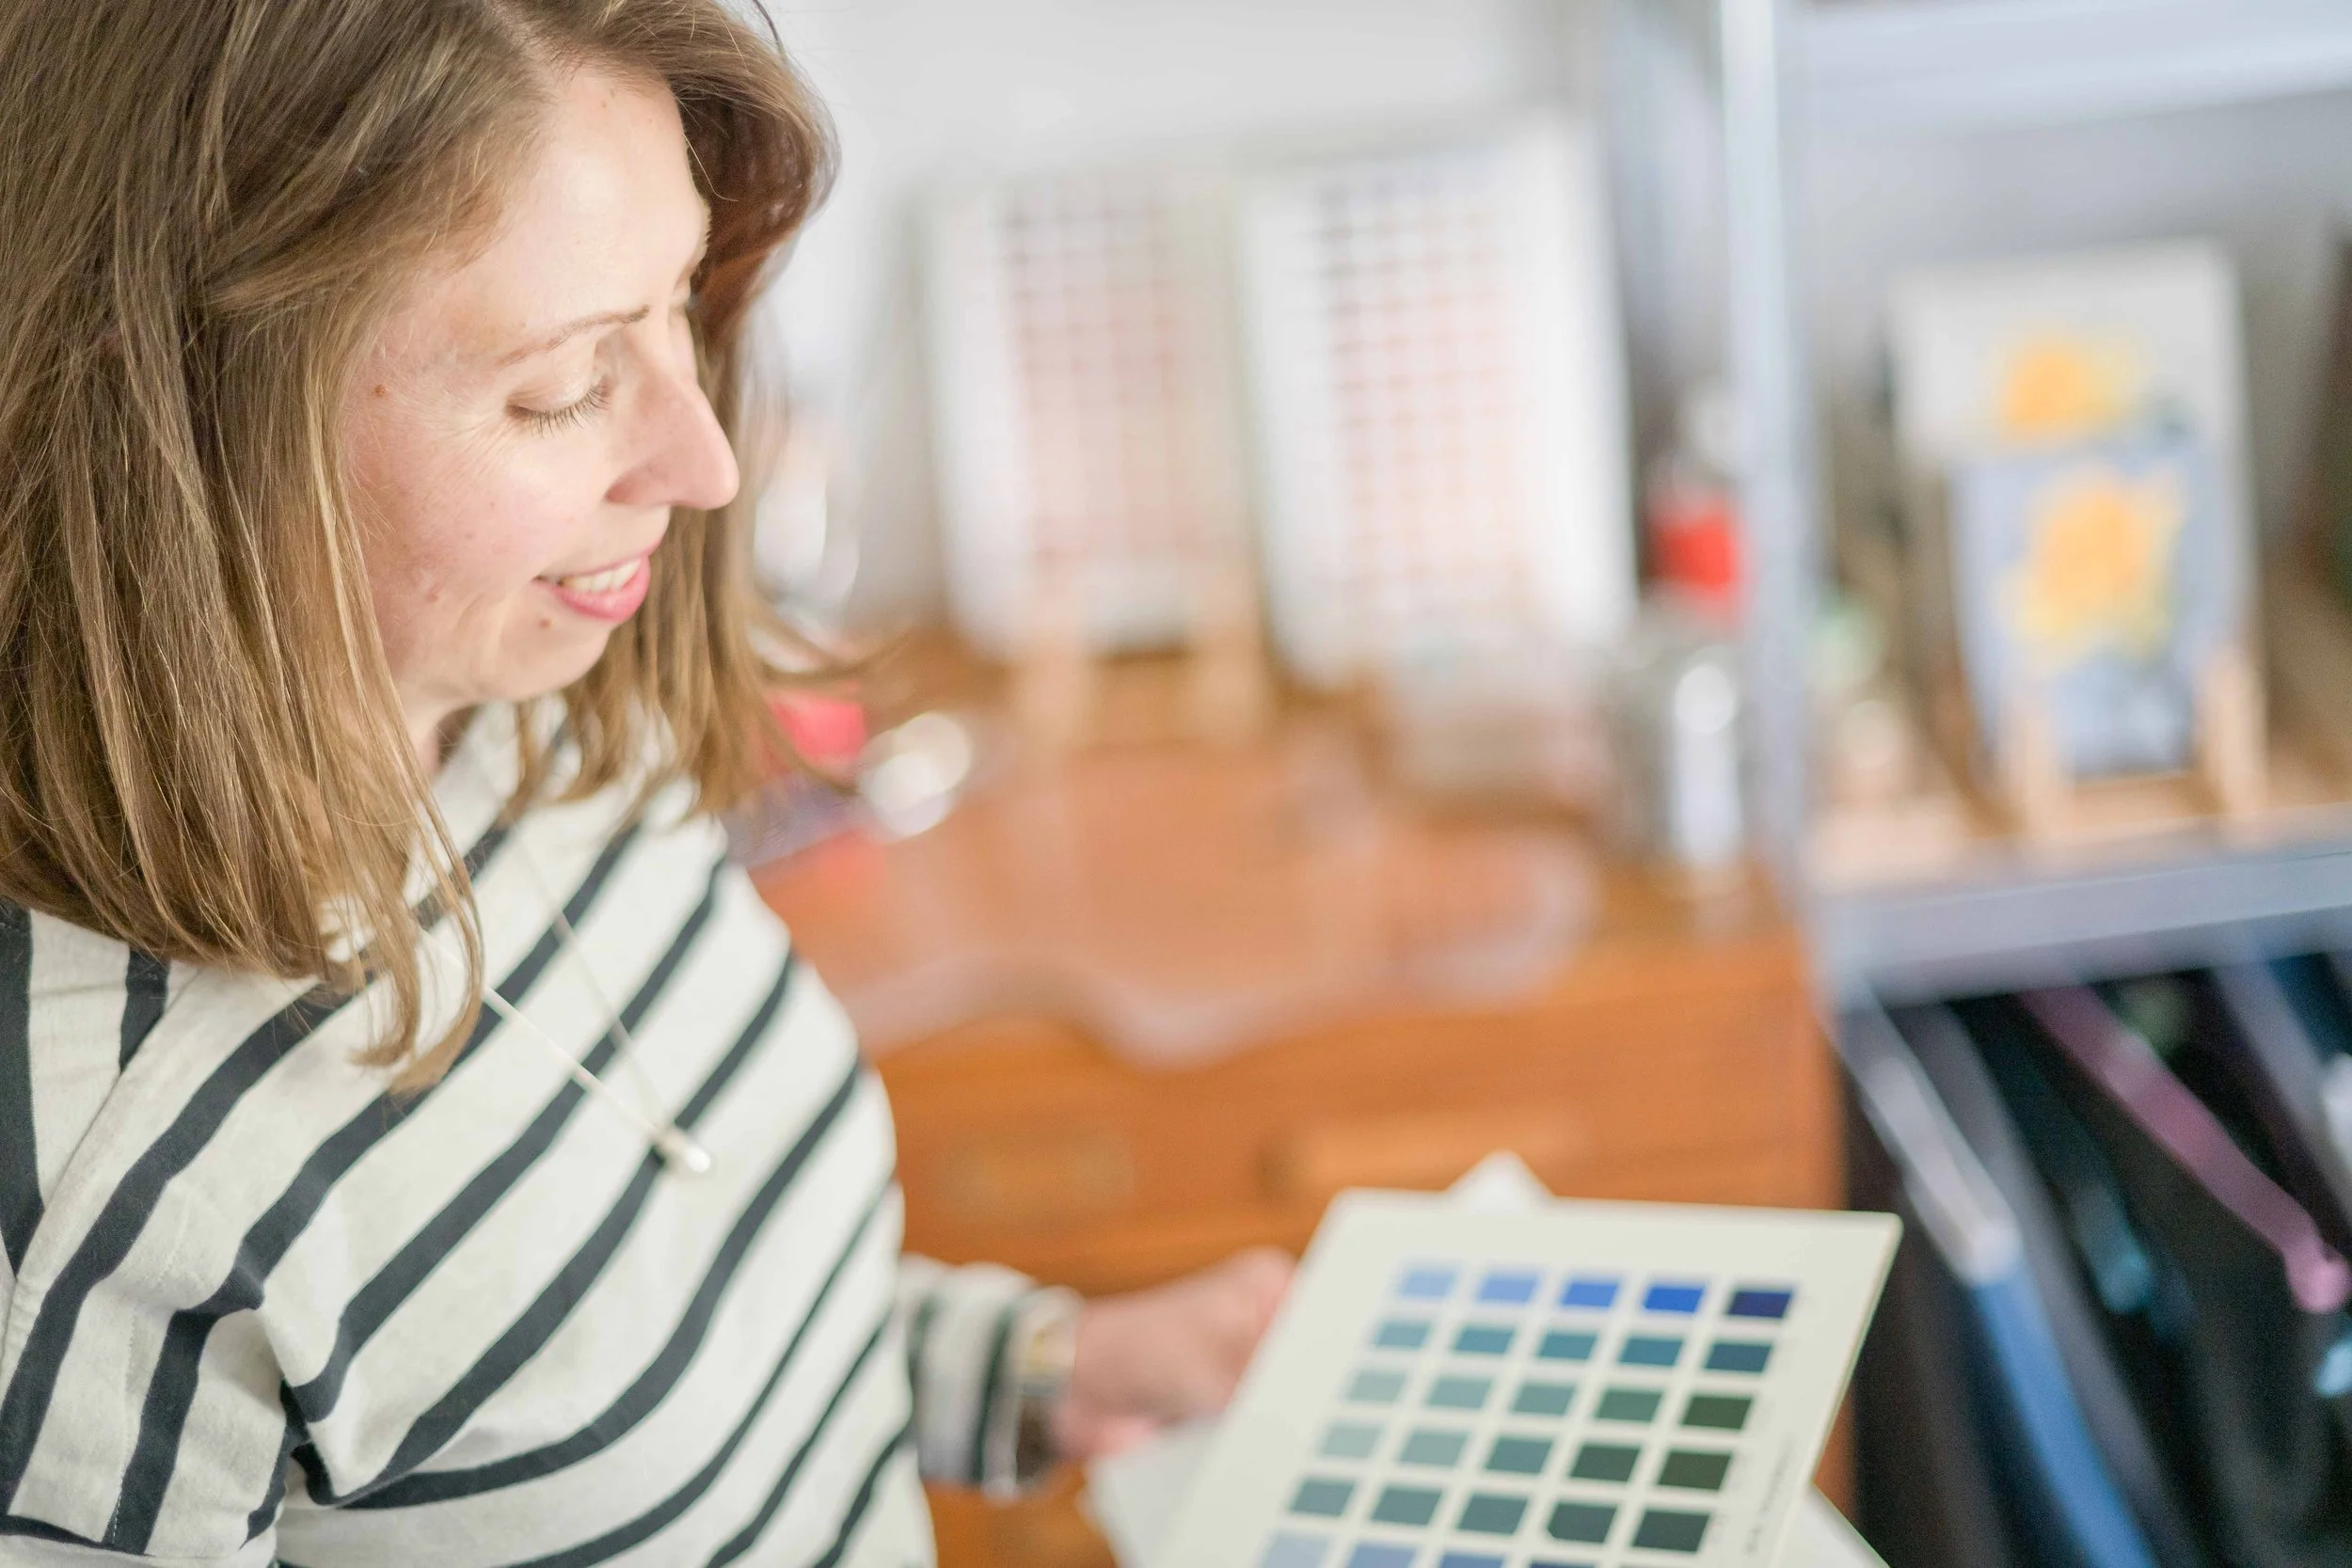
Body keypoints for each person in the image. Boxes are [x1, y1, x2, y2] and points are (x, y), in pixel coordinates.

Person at [0, 2, 1292, 1562]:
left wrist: (1037, 1372)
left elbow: (634, 1311)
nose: (703, 460)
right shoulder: (100, 1184)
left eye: (679, 305)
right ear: (187, 418)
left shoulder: (552, 724)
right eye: (559, 385)